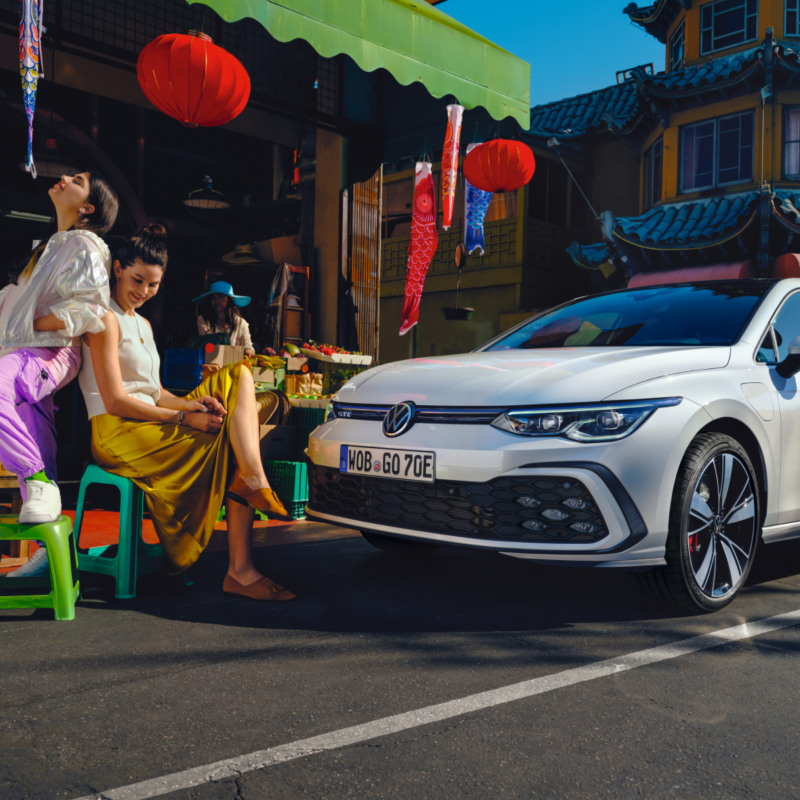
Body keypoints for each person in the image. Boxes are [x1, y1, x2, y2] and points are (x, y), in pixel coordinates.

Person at [79, 225, 296, 601]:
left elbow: (156, 392)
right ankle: (240, 570)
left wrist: (190, 404)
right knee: (230, 439)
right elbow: (115, 401)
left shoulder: (142, 324)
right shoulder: (103, 320)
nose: (143, 291)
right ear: (117, 269)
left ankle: (252, 476)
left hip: (148, 418)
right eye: (137, 279)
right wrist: (184, 419)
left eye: (153, 285)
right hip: (117, 431)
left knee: (239, 374)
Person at [0, 171, 119, 578]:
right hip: (24, 351)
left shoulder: (85, 243)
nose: (64, 177)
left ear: (88, 207)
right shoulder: (51, 246)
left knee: (35, 462)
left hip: (46, 351)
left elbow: (89, 307)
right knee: (38, 441)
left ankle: (36, 480)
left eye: (79, 179)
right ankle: (53, 555)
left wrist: (30, 324)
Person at [195, 282, 255, 356]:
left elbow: (247, 347)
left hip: (234, 365)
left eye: (220, 296)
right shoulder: (203, 320)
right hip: (210, 364)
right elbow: (207, 347)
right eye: (213, 297)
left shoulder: (241, 323)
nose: (216, 301)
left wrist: (248, 351)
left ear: (229, 299)